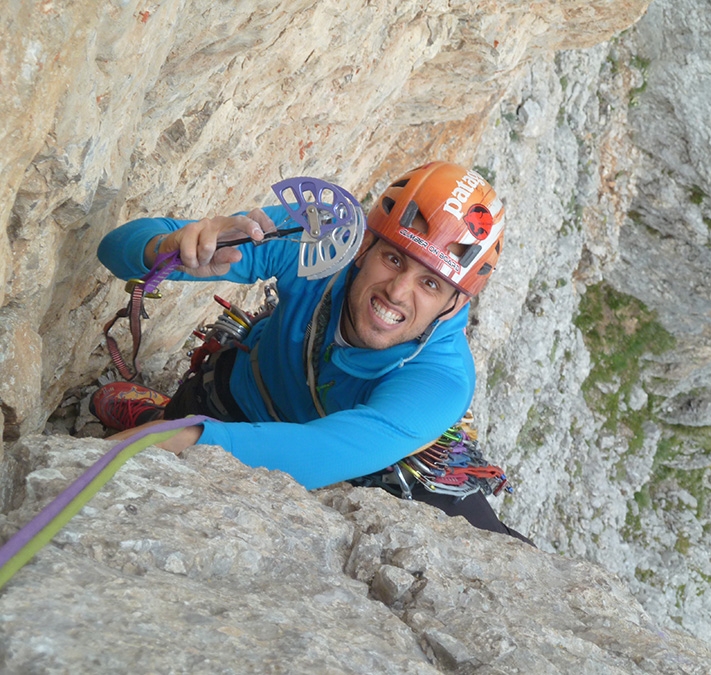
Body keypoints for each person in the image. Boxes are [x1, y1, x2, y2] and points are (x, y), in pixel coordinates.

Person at [92, 161, 531, 544]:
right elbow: (115, 248)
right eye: (394, 259)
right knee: (186, 417)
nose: (398, 292)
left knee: (491, 548)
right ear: (364, 247)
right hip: (238, 398)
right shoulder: (319, 241)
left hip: (369, 472)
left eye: (430, 283)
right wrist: (167, 250)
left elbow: (323, 450)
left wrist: (186, 438)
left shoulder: (443, 379)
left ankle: (168, 423)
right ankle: (164, 416)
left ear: (456, 303)